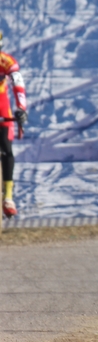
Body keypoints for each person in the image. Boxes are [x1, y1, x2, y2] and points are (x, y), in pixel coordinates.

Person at [0, 32, 27, 218]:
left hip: (2, 111)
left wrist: (21, 108)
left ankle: (8, 196)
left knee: (6, 150)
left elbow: (18, 84)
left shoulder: (6, 61)